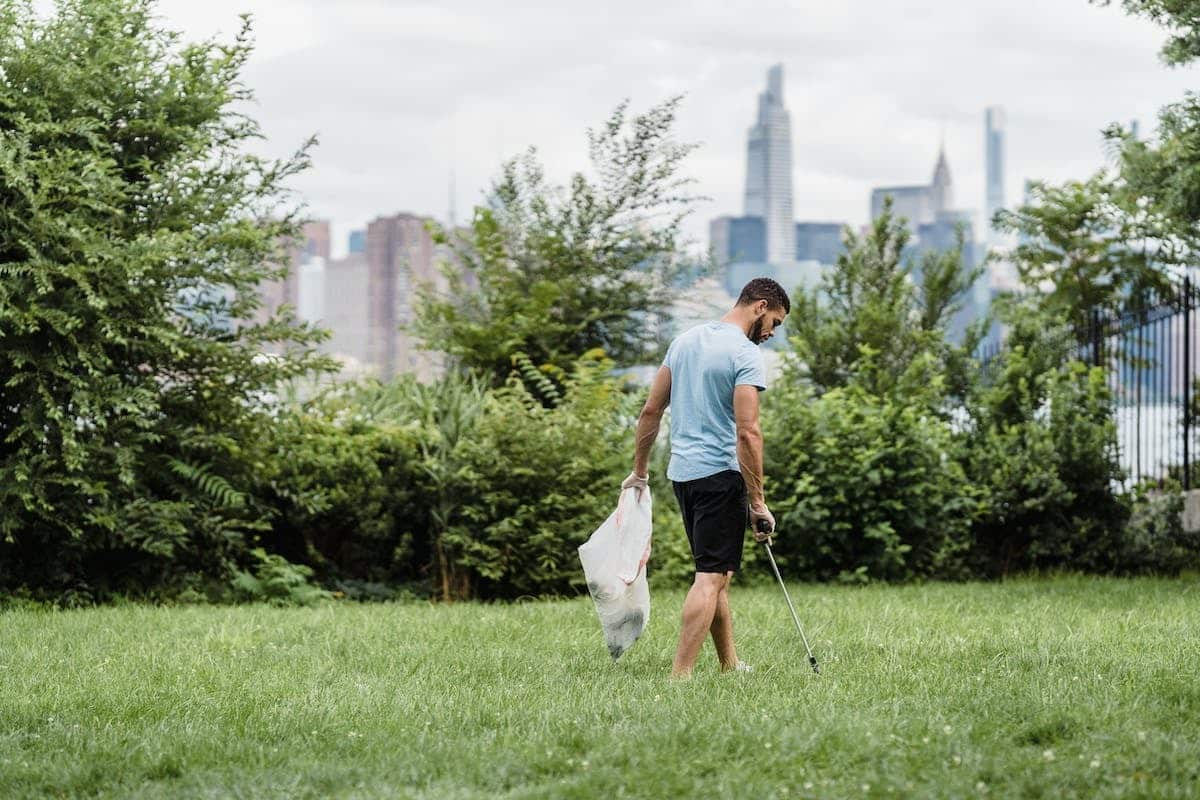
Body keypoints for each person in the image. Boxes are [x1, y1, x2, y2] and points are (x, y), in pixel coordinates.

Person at [622, 277, 789, 678]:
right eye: (775, 323)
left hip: (683, 475)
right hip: (719, 475)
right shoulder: (745, 353)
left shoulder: (684, 342)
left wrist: (639, 472)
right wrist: (757, 500)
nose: (771, 333)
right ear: (760, 306)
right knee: (710, 576)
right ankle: (680, 677)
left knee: (717, 573)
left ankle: (729, 664)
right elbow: (748, 432)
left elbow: (650, 412)